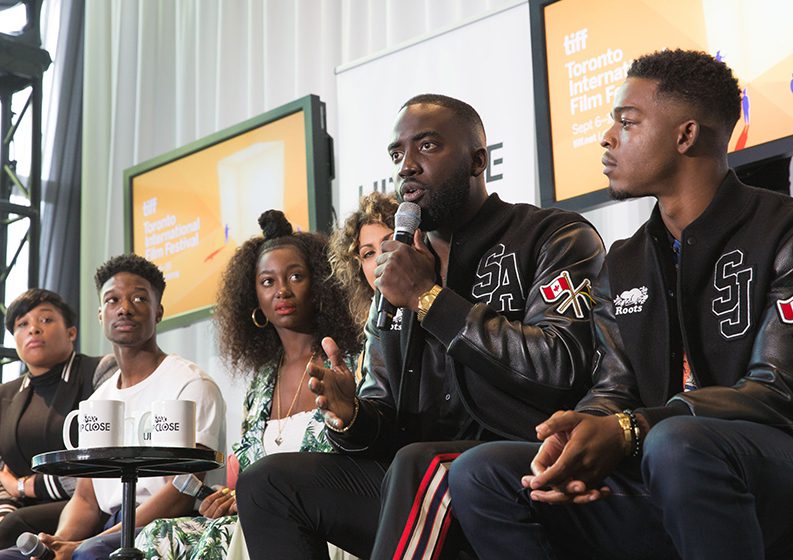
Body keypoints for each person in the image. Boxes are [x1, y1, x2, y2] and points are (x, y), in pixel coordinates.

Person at [448, 49, 793, 560]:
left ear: (686, 135)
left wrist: (633, 430)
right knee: (482, 472)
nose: (607, 138)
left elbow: (777, 393)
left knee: (677, 445)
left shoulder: (781, 227)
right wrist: (577, 441)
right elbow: (614, 389)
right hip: (664, 463)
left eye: (627, 123)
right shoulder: (627, 259)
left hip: (766, 466)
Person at [235, 94, 605, 558]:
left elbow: (561, 367)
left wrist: (429, 299)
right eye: (397, 155)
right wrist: (351, 416)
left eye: (426, 147)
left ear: (477, 160)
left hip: (514, 464)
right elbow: (382, 417)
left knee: (420, 463)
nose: (406, 166)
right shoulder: (398, 267)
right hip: (413, 479)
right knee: (269, 482)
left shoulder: (554, 236)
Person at [135, 210, 361, 560]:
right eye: (268, 281)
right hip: (257, 518)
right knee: (156, 536)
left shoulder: (345, 363)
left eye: (296, 277)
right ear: (253, 297)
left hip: (325, 522)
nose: (282, 290)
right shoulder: (260, 383)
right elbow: (245, 478)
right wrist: (227, 498)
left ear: (319, 286)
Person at [0, 254, 226, 560]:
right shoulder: (99, 400)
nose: (125, 308)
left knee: (89, 554)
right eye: (112, 300)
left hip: (167, 525)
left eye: (139, 298)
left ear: (158, 312)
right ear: (100, 314)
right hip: (109, 525)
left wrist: (82, 546)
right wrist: (59, 542)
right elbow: (85, 499)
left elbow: (182, 492)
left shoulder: (190, 384)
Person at [0, 290, 115, 548]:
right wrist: (5, 510)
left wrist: (27, 487)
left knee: (15, 526)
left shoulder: (100, 372)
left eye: (46, 320)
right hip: (18, 511)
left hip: (88, 505)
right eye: (22, 324)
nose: (33, 330)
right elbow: (2, 475)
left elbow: (106, 466)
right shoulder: (4, 395)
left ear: (71, 332)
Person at [328, 191, 399, 330]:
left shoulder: (438, 302)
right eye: (368, 253)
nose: (380, 257)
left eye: (391, 242)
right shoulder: (373, 325)